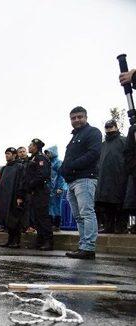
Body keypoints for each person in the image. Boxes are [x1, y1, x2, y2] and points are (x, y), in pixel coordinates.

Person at [59, 106, 102, 259]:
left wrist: (70, 166)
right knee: (78, 216)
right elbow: (67, 160)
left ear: (86, 117)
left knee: (86, 213)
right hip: (71, 181)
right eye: (73, 118)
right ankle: (83, 245)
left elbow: (94, 153)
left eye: (79, 117)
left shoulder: (93, 132)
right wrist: (63, 170)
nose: (76, 120)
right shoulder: (73, 138)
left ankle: (89, 247)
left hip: (85, 179)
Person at [18, 138, 53, 250]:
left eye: (31, 145)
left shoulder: (41, 158)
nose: (29, 147)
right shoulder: (33, 158)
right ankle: (40, 240)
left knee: (43, 217)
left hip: (41, 191)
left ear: (36, 147)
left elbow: (42, 175)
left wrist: (31, 184)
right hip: (34, 192)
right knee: (36, 218)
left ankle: (48, 241)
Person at [95, 120, 128, 234]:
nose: (109, 129)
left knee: (120, 203)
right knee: (107, 204)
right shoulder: (103, 145)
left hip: (120, 177)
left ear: (116, 127)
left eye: (111, 126)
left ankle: (121, 226)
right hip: (105, 178)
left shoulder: (124, 141)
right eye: (107, 127)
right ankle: (109, 226)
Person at [0, 148, 25, 248]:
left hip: (14, 197)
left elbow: (22, 182)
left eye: (8, 154)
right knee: (7, 220)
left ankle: (16, 241)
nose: (6, 155)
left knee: (15, 220)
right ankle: (10, 240)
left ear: (14, 155)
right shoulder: (4, 168)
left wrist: (20, 196)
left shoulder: (20, 166)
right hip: (4, 198)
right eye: (6, 153)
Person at [44, 146, 66, 231]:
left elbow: (61, 176)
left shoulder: (58, 162)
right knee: (50, 207)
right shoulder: (49, 163)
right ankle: (50, 224)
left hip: (56, 189)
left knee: (56, 206)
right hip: (49, 189)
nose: (47, 155)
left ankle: (56, 224)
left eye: (48, 152)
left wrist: (60, 187)